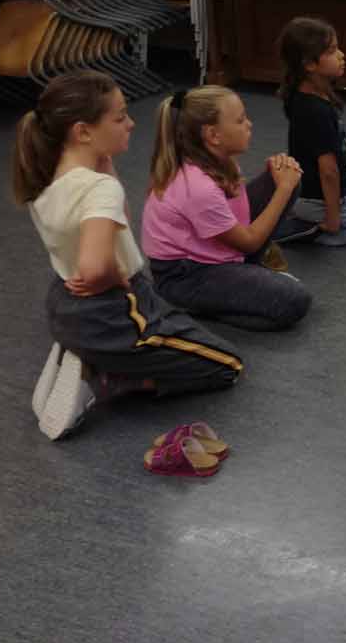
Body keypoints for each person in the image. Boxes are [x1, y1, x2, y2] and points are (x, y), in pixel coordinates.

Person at [15, 70, 242, 442]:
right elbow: (94, 267)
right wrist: (113, 276)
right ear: (83, 132)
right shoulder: (98, 189)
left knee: (180, 326)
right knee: (227, 365)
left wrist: (107, 170)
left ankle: (89, 351)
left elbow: (102, 233)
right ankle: (107, 376)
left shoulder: (44, 178)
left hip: (66, 306)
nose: (131, 124)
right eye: (120, 117)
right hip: (115, 310)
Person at [140, 86, 313, 332]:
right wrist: (283, 188)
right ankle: (192, 305)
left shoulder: (218, 159)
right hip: (184, 276)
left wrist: (282, 179)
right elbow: (249, 243)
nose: (249, 124)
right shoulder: (197, 186)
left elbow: (237, 215)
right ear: (213, 135)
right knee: (294, 300)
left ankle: (240, 282)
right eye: (240, 120)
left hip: (215, 251)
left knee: (288, 181)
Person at [278, 17, 346, 245]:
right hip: (319, 200)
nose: (341, 55)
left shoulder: (310, 93)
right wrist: (333, 217)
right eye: (332, 51)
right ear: (309, 64)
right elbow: (328, 171)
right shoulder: (314, 110)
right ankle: (320, 232)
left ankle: (318, 219)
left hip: (341, 184)